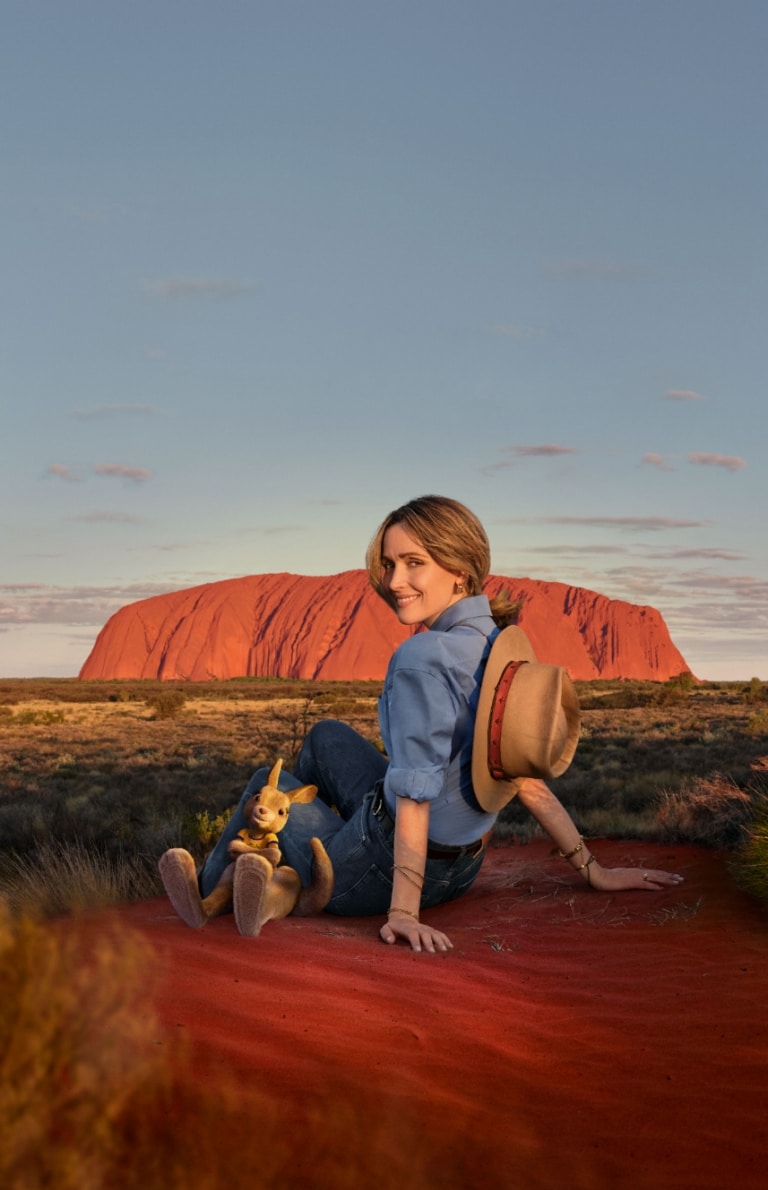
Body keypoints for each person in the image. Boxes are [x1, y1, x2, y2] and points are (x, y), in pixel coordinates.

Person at [195, 494, 683, 953]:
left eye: (414, 563)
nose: (393, 581)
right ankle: (300, 852)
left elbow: (413, 794)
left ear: (460, 571)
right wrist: (592, 868)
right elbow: (523, 773)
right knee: (325, 736)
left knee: (265, 784)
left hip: (376, 873)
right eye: (390, 564)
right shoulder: (496, 643)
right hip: (463, 869)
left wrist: (403, 912)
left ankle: (219, 888)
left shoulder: (421, 657)